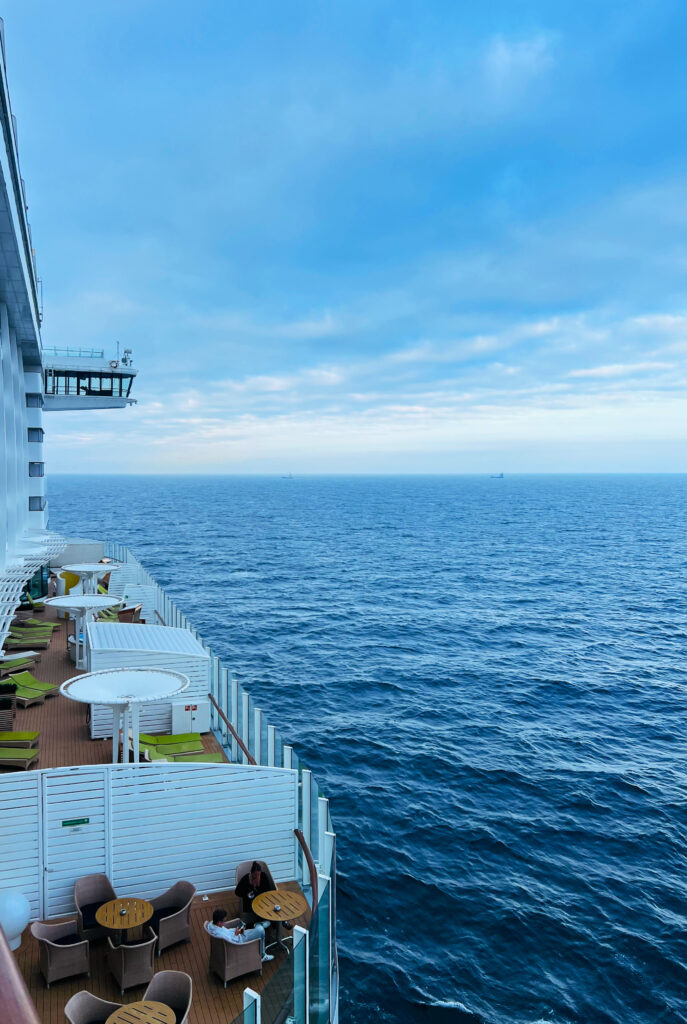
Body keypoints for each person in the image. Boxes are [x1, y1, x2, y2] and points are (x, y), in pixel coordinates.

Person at [235, 860, 293, 931]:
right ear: (251, 873)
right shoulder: (245, 879)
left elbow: (268, 890)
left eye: (258, 875)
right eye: (255, 876)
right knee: (265, 912)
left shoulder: (263, 876)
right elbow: (237, 892)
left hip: (264, 898)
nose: (257, 877)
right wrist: (247, 892)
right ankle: (275, 923)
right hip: (251, 902)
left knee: (275, 906)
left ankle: (282, 921)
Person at [206, 907, 273, 962]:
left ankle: (258, 925)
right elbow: (232, 943)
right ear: (219, 922)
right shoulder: (220, 935)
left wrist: (236, 930)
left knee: (254, 929)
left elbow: (227, 932)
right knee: (261, 931)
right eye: (224, 921)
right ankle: (263, 955)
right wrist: (236, 934)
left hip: (238, 935)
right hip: (240, 942)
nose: (225, 922)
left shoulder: (212, 925)